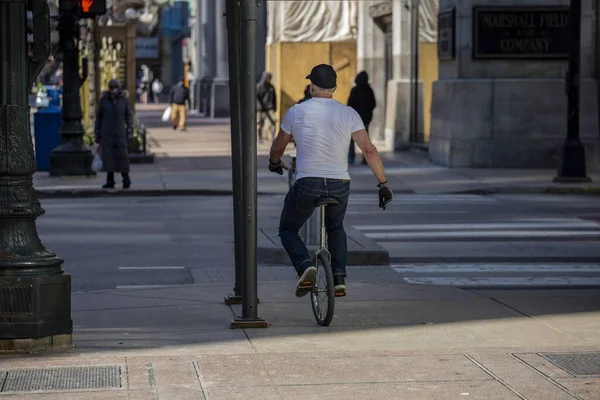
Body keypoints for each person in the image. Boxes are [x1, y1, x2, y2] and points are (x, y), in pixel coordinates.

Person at [268, 64, 393, 298]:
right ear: (334, 88)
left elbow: (278, 145)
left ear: (312, 86)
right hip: (339, 184)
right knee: (336, 227)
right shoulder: (349, 113)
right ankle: (339, 280)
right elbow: (369, 151)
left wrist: (274, 162)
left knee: (288, 228)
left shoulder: (296, 111)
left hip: (308, 183)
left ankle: (305, 267)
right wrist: (383, 184)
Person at [95, 79, 133, 189]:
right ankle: (110, 181)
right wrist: (97, 133)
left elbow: (129, 116)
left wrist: (130, 130)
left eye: (115, 87)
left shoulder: (123, 101)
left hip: (120, 133)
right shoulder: (103, 101)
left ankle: (126, 179)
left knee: (122, 158)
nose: (113, 89)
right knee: (109, 158)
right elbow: (99, 118)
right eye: (111, 87)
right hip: (107, 134)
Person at [347, 71, 376, 165]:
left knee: (351, 138)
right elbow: (373, 103)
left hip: (355, 118)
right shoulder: (369, 90)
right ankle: (366, 159)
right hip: (366, 119)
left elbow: (350, 103)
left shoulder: (355, 90)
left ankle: (351, 158)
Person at [256, 71, 277, 143]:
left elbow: (274, 98)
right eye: (269, 78)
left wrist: (275, 107)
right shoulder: (259, 86)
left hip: (269, 108)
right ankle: (259, 138)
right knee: (259, 124)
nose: (269, 80)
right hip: (261, 109)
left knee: (273, 122)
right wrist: (259, 107)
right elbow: (256, 98)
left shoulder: (271, 87)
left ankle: (273, 138)